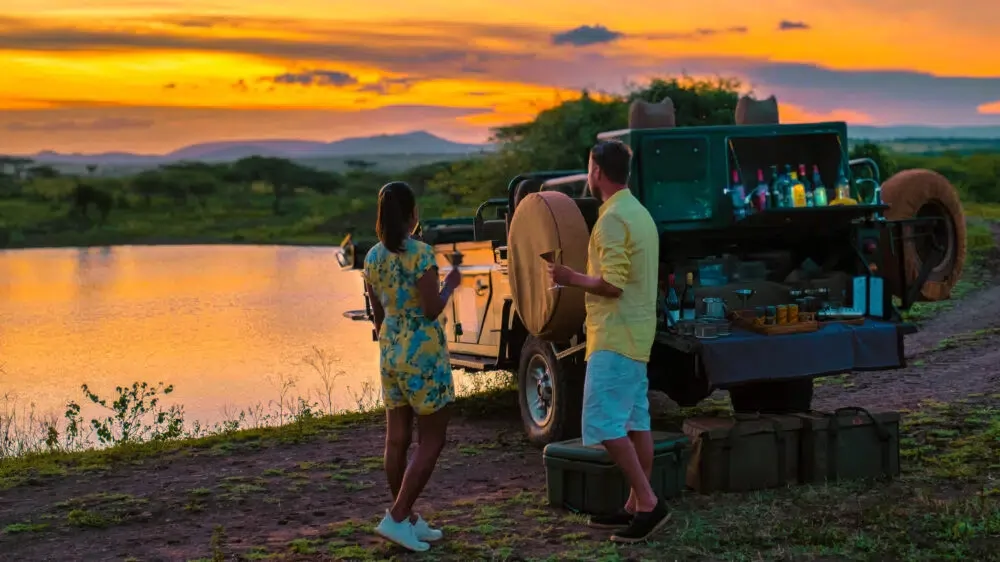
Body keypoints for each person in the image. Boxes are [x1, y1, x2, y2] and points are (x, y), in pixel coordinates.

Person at [548, 139, 668, 543]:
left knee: (603, 422)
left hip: (615, 335)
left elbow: (613, 283)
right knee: (635, 421)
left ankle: (648, 503)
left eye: (588, 167)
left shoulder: (613, 219)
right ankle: (635, 505)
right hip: (636, 334)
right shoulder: (639, 212)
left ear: (596, 170)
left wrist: (570, 278)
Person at [362, 181, 461, 552]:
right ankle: (398, 517)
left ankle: (409, 520)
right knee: (433, 438)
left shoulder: (371, 258)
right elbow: (432, 308)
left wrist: (392, 338)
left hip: (390, 351)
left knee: (397, 439)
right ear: (412, 215)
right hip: (423, 353)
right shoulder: (421, 254)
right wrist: (451, 284)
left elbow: (378, 315)